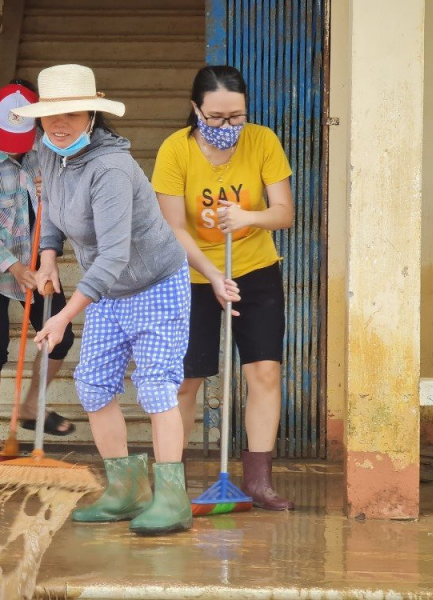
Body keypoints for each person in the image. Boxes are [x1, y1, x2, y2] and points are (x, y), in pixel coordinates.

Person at [14, 64, 236, 535]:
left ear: (92, 115)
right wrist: (49, 256)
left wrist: (64, 317)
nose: (60, 124)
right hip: (110, 290)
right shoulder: (48, 151)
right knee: (93, 385)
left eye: (73, 114)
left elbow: (114, 254)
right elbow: (49, 209)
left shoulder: (110, 168)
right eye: (52, 114)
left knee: (156, 387)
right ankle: (126, 491)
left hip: (155, 283)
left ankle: (171, 499)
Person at [152, 65, 295, 510]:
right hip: (193, 275)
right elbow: (174, 227)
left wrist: (248, 216)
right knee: (186, 380)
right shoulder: (175, 150)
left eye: (236, 117)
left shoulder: (263, 141)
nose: (227, 126)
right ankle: (171, 483)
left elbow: (284, 212)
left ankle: (258, 482)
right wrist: (212, 275)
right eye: (215, 117)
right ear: (196, 109)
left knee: (264, 373)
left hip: (254, 270)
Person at [0, 80, 76, 463]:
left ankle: (29, 406)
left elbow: (65, 209)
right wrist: (14, 267)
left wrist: (51, 192)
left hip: (37, 257)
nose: (16, 149)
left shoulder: (47, 149)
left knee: (61, 337)